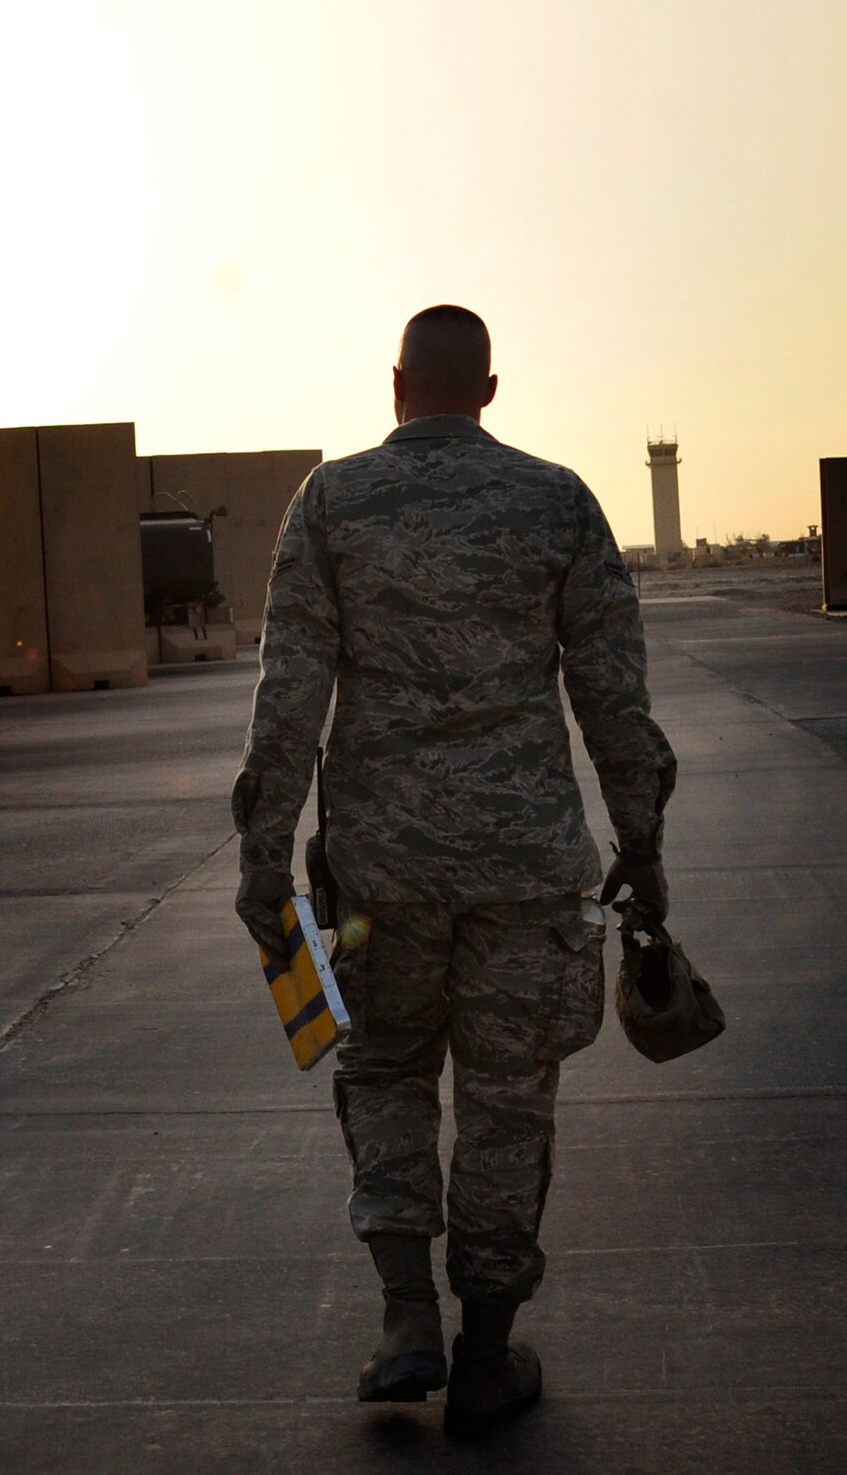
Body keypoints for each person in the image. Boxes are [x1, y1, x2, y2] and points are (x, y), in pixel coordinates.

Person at [231, 305, 675, 1436]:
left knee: (381, 1076)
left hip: (379, 875)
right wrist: (641, 846)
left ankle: (400, 1321)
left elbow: (288, 694)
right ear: (486, 389)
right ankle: (483, 1356)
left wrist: (260, 858)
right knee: (506, 1104)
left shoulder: (330, 502)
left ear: (394, 385)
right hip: (523, 871)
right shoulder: (556, 499)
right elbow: (612, 697)